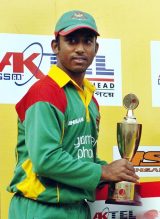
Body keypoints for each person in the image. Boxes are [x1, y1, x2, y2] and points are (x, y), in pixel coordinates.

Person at [7, 10, 139, 219]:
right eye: (71, 40)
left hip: (77, 208)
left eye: (87, 41)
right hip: (41, 209)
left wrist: (114, 171)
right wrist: (104, 172)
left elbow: (80, 156)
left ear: (96, 48)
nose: (80, 49)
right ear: (55, 46)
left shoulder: (89, 99)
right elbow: (46, 160)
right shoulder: (45, 92)